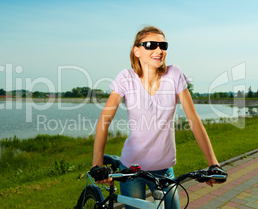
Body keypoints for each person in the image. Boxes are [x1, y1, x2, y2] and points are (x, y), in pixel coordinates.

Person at [89, 26, 227, 209]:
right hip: (132, 170)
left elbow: (194, 121)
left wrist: (213, 164)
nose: (159, 50)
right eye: (151, 45)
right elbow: (104, 122)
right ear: (136, 51)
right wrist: (97, 164)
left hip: (164, 171)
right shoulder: (126, 78)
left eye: (163, 45)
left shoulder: (174, 74)